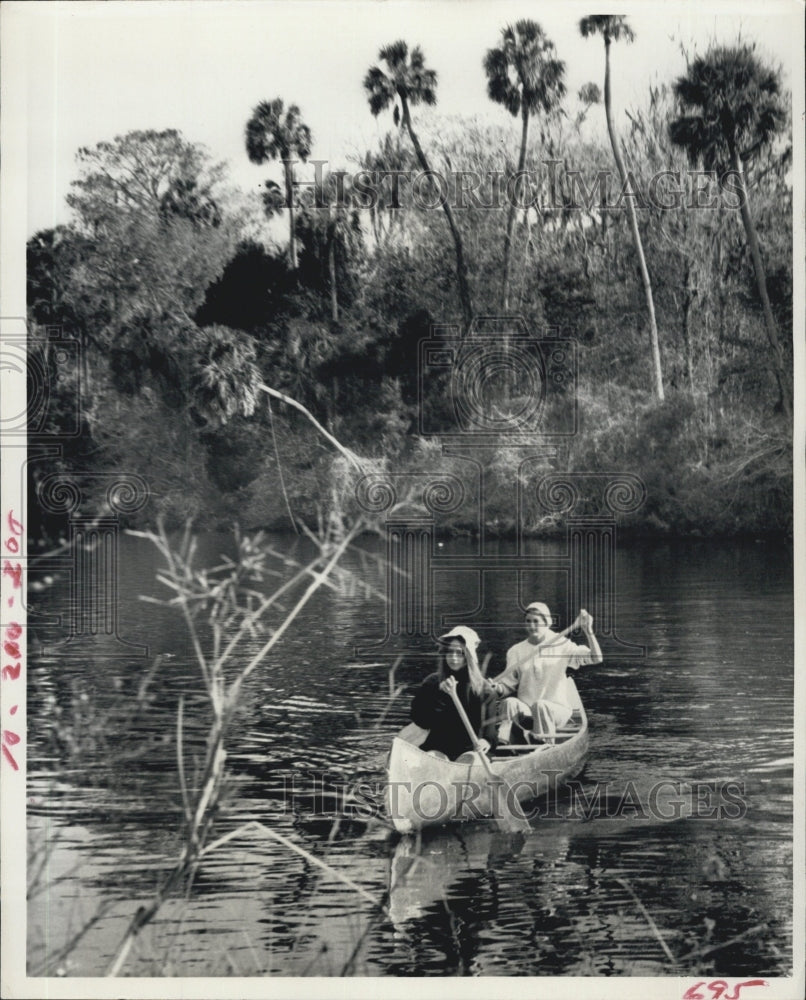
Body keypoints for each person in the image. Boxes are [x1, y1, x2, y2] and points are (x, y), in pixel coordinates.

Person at [486, 602, 602, 744]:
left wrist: (588, 630)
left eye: (536, 621)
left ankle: (544, 746)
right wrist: (496, 688)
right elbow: (507, 686)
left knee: (541, 706)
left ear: (546, 623)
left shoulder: (561, 644)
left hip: (556, 711)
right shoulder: (515, 651)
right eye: (528, 621)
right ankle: (509, 747)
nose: (532, 626)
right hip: (527, 712)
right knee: (509, 703)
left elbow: (596, 658)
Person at [409, 626, 496, 761]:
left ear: (468, 656)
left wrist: (486, 741)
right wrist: (439, 698)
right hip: (439, 747)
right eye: (449, 652)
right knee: (433, 757)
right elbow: (420, 719)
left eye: (459, 653)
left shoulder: (484, 690)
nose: (453, 658)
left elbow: (489, 730)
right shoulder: (431, 683)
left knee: (470, 759)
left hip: (470, 749)